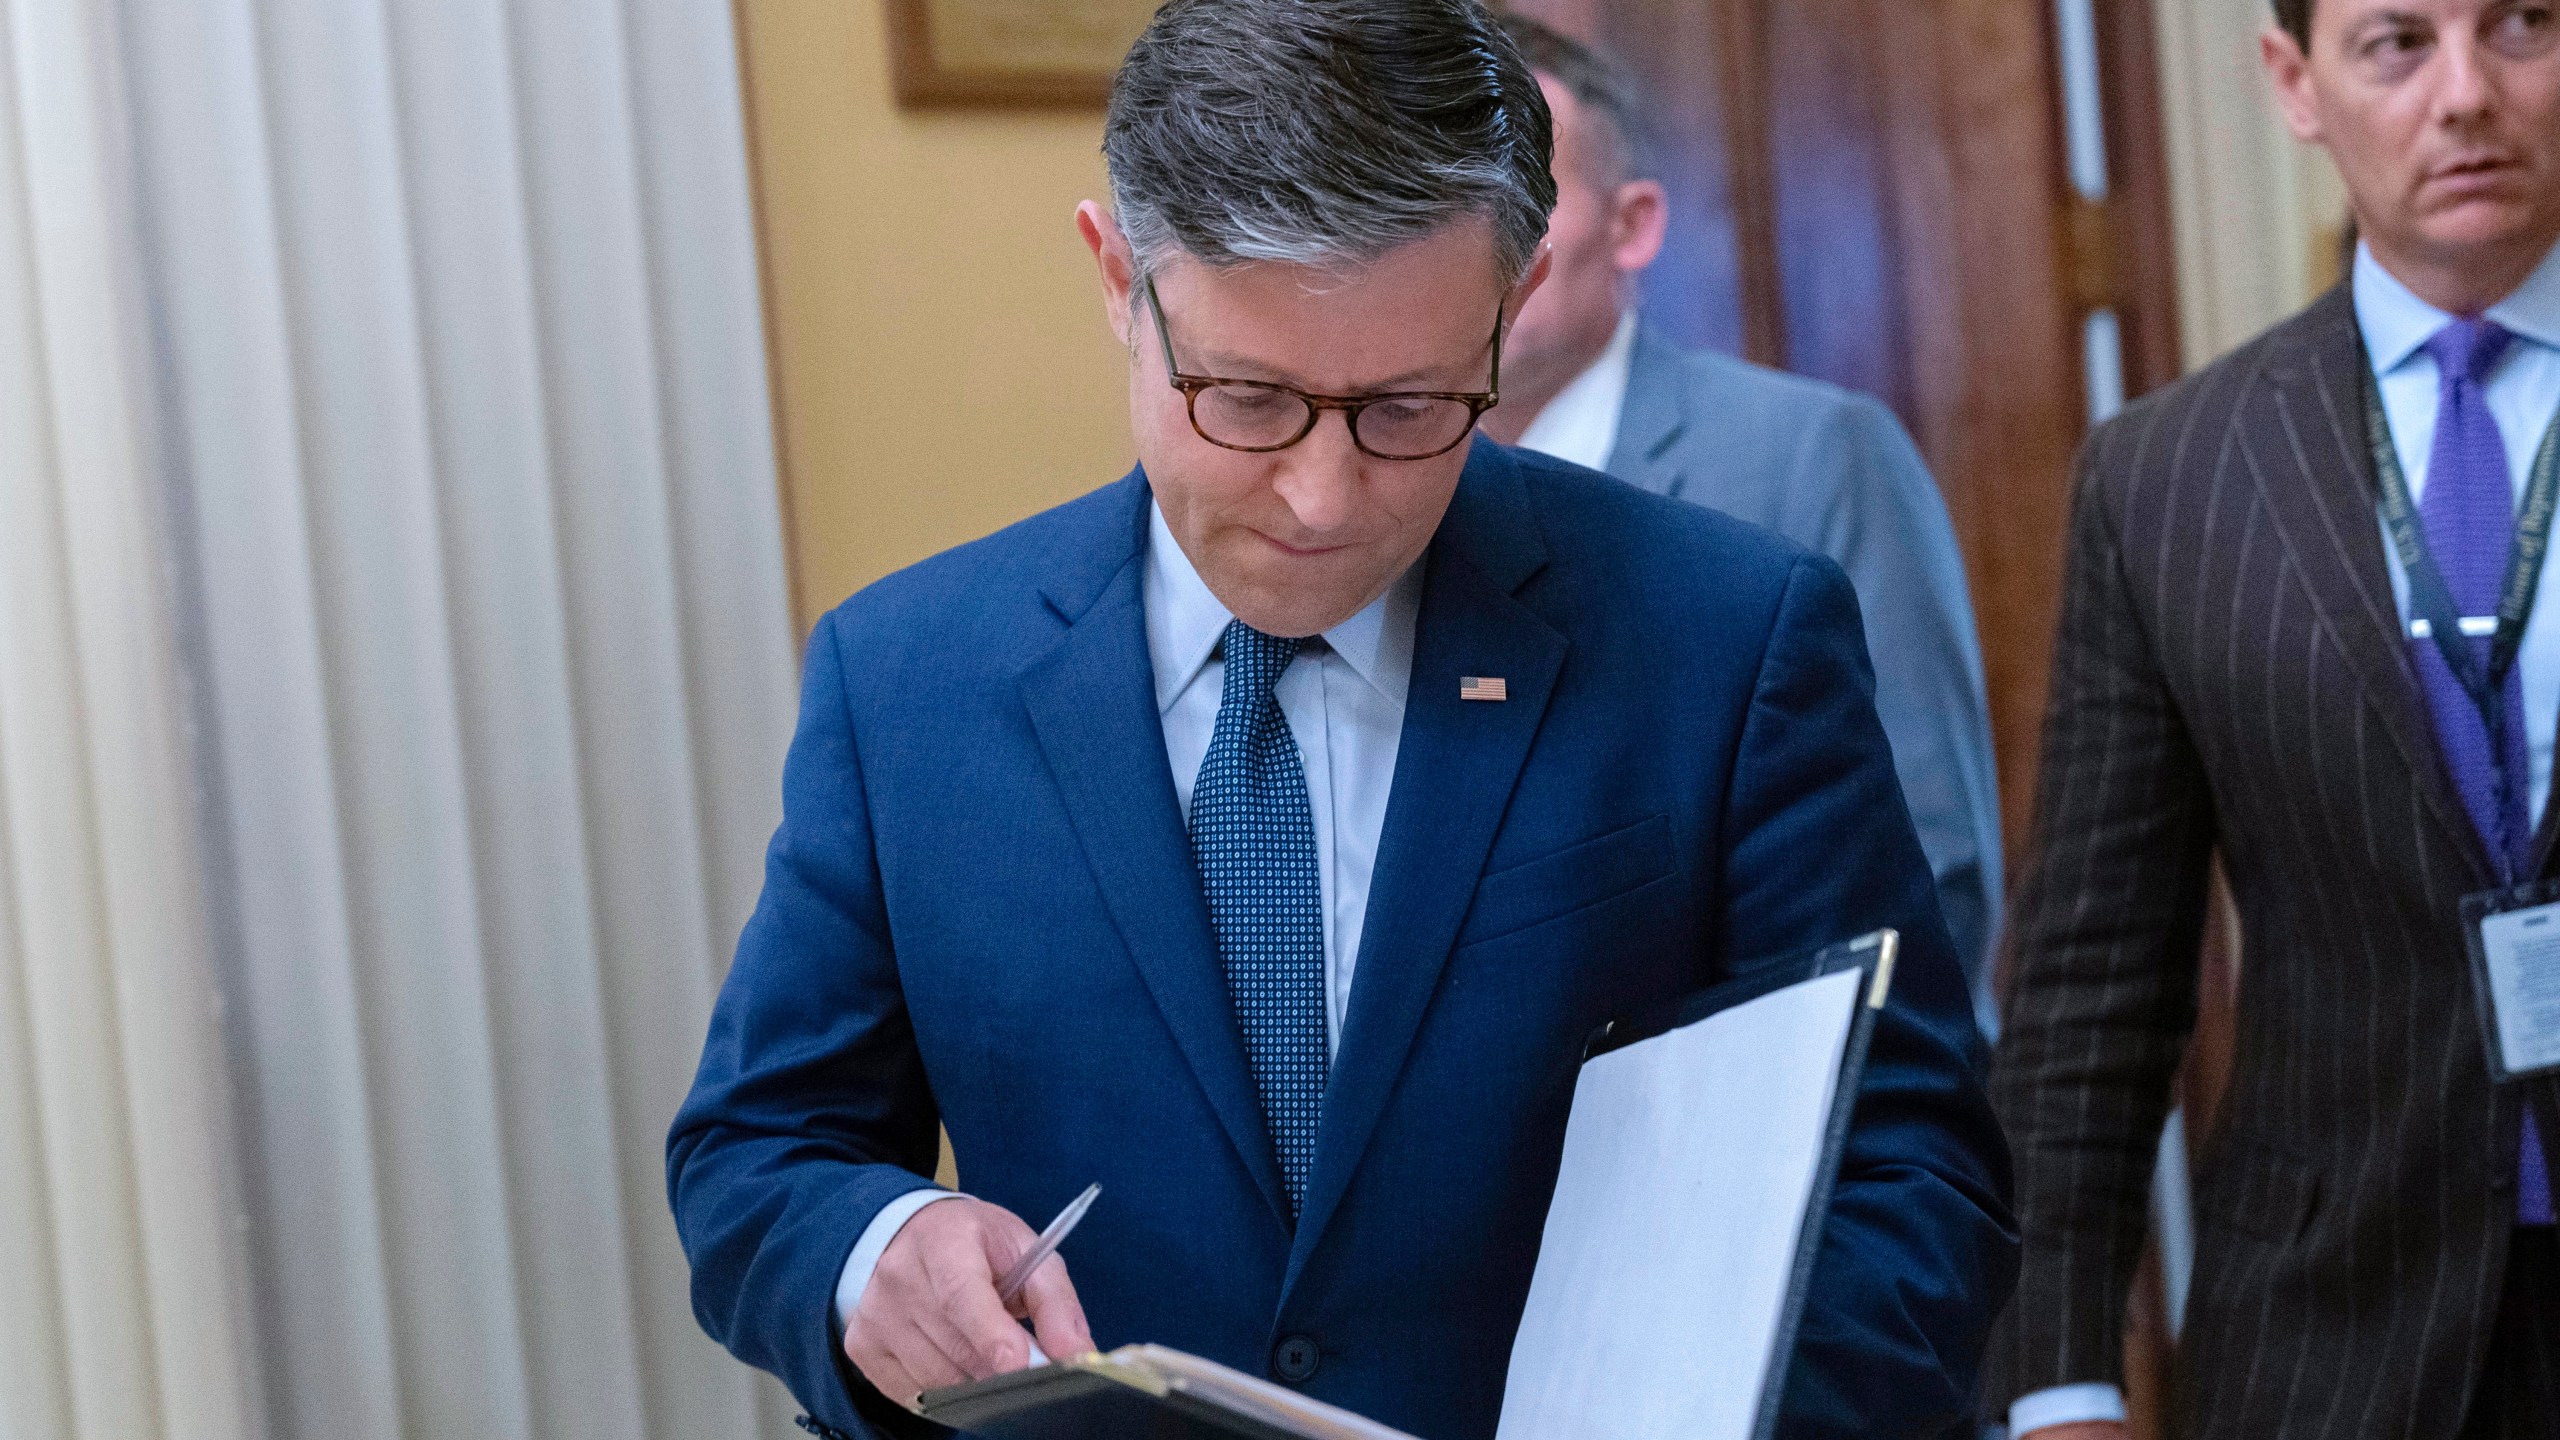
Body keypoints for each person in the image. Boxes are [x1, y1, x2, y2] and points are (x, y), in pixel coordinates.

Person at [668, 4, 2014, 1438]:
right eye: (1246, 398)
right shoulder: (908, 683)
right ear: (1118, 278)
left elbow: (1911, 1174)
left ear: (1512, 304)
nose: (1322, 498)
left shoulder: (1724, 639)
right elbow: (763, 1151)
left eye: (1409, 407)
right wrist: (872, 1256)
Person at [1990, 0, 2560, 1435]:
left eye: (2524, 27)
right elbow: (2092, 979)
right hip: (2333, 1327)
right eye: (2397, 44)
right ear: (2294, 84)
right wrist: (2057, 1371)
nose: (2467, 95)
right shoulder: (2169, 477)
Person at [1480, 14, 2006, 1038]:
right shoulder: (1387, 486)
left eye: (1521, 197)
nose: (1482, 241)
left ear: (1631, 225)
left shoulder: (1810, 454)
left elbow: (1927, 856)